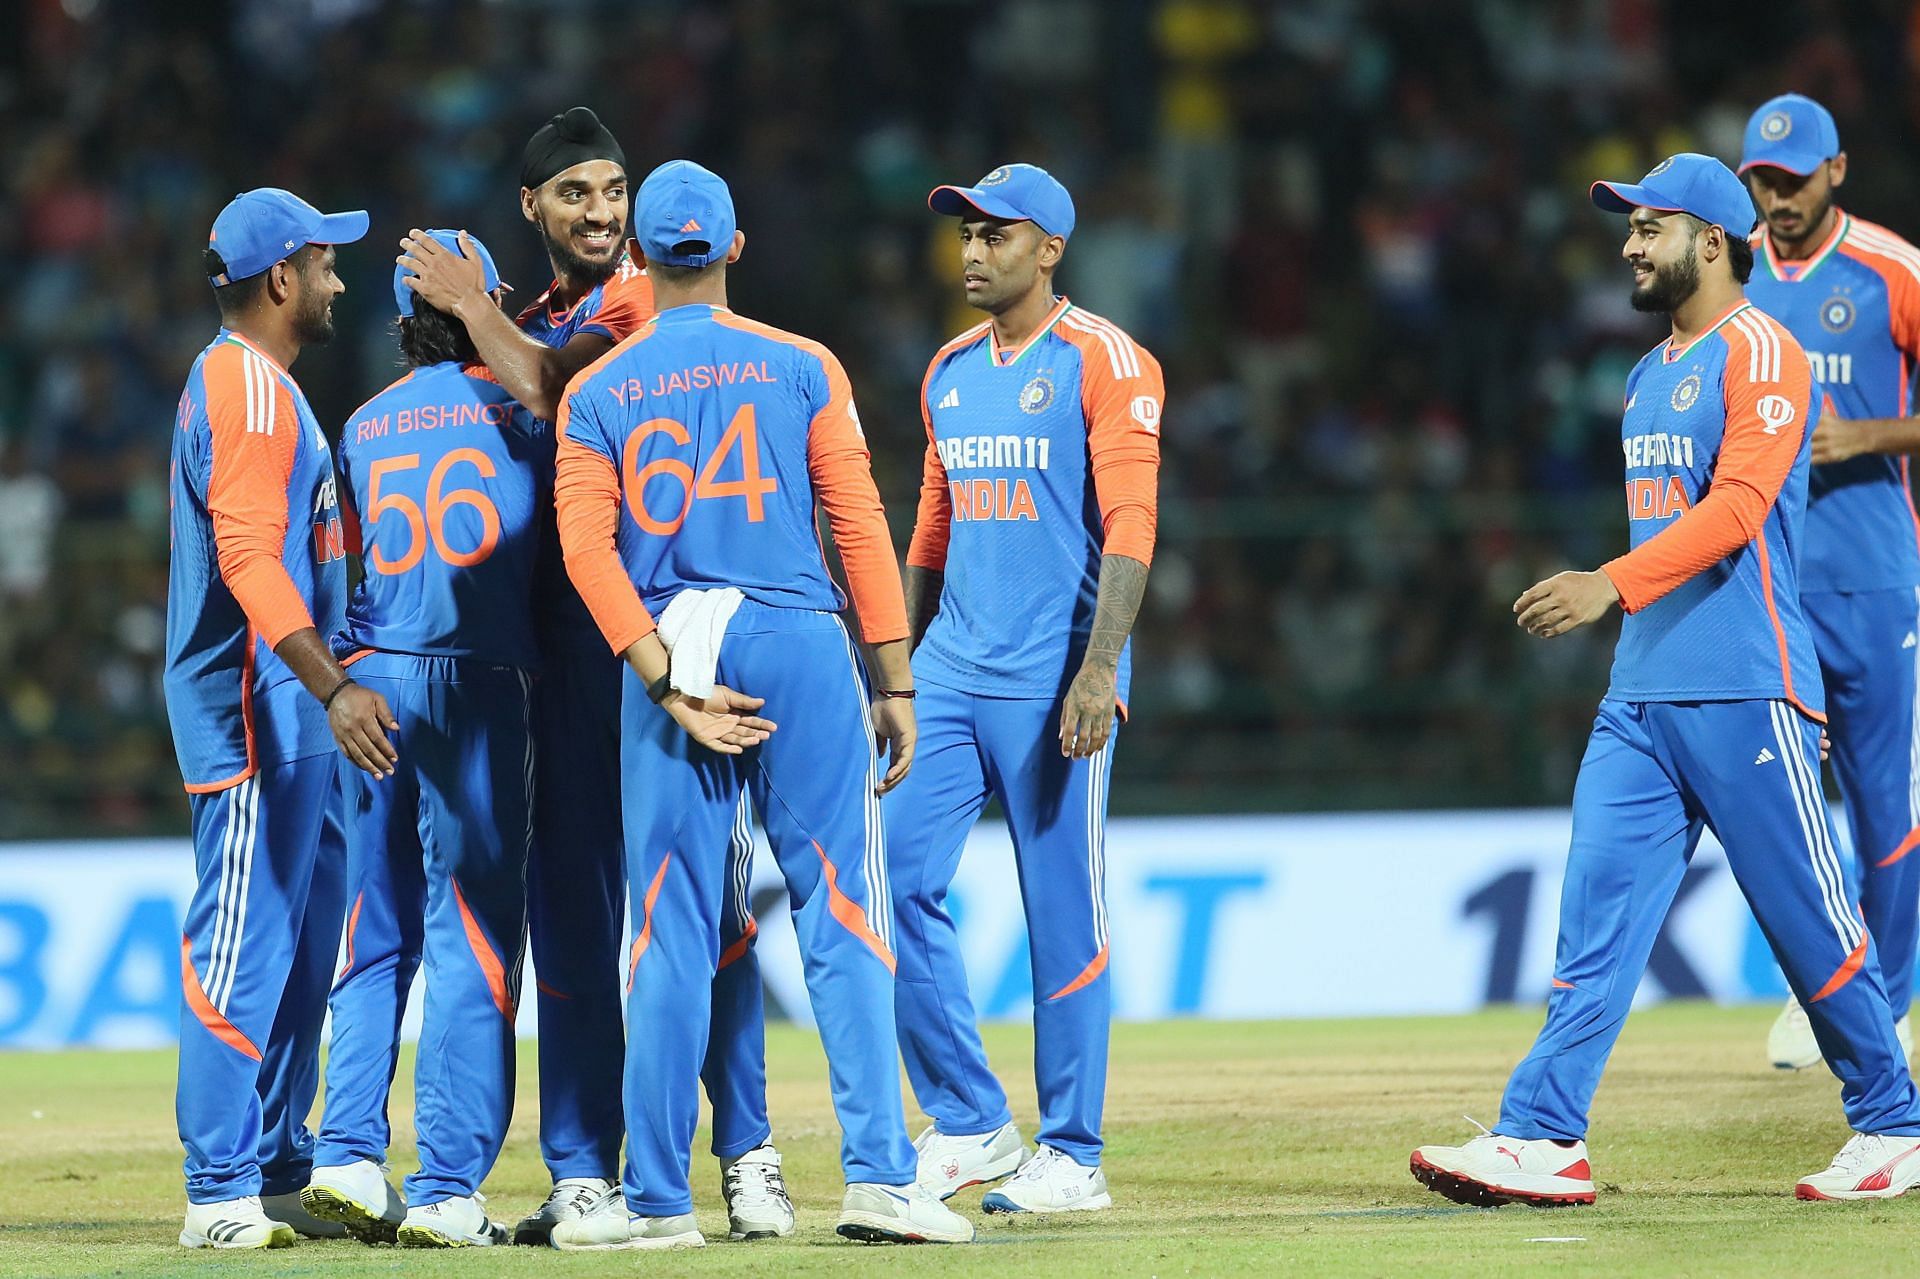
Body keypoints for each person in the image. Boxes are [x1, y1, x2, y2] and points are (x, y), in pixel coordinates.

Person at [1408, 154, 1920, 1206]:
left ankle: (1894, 1121)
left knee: (1809, 922)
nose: (1632, 247)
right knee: (1593, 924)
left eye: (1652, 227)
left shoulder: (1766, 352)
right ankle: (1544, 1135)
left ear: (1716, 241)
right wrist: (1623, 604)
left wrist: (1608, 584)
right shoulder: (1649, 371)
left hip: (1749, 688)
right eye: (1630, 229)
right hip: (1641, 697)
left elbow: (1737, 510)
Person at [548, 159, 972, 1248]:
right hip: (793, 634)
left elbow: (584, 551)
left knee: (669, 930)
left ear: (635, 257)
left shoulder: (597, 390)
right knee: (842, 909)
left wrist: (658, 675)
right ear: (737, 247)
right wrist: (895, 674)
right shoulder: (802, 366)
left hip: (671, 644)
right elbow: (860, 521)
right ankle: (879, 1176)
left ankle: (654, 1200)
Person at [398, 108, 789, 1243]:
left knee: (703, 910)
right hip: (564, 663)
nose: (603, 212)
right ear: (532, 207)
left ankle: (747, 1150)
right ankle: (583, 1169)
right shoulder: (529, 318)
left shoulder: (633, 303)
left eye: (614, 191)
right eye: (576, 193)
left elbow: (556, 393)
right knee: (572, 915)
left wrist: (469, 308)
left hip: (659, 642)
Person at [887, 163, 1163, 1215]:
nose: (972, 251)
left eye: (995, 235)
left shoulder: (1106, 360)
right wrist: (896, 668)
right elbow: (931, 528)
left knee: (1063, 911)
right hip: (952, 669)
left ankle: (1074, 1155)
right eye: (964, 233)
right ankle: (968, 1119)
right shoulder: (948, 370)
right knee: (887, 880)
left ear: (1049, 248)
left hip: (1055, 675)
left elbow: (1132, 522)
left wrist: (1101, 666)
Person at [300, 232, 539, 1247]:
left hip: (375, 678)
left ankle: (348, 1153)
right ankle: (446, 1187)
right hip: (478, 675)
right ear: (488, 298)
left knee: (374, 926)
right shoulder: (523, 409)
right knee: (470, 935)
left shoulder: (361, 424)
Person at [164, 187, 385, 1248]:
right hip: (259, 709)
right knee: (245, 942)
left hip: (296, 709)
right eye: (327, 261)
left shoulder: (269, 388)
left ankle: (278, 1163)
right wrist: (333, 685)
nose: (340, 278)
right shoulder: (246, 388)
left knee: (301, 951)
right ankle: (216, 1191)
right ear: (281, 279)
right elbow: (249, 559)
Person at [1738, 93, 1920, 1071]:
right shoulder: (1729, 282)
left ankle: (1884, 1005)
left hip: (1877, 581)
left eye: (1793, 177)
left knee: (1885, 805)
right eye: (1761, 180)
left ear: (1836, 171)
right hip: (1768, 588)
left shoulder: (1894, 270)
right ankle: (1827, 992)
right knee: (1778, 810)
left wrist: (1873, 436)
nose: (1777, 197)